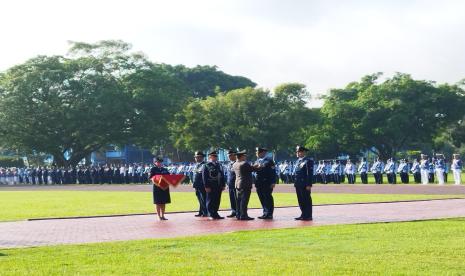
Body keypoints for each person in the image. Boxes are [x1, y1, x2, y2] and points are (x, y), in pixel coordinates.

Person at [202, 151, 226, 220]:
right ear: (209, 157)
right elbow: (204, 177)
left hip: (218, 185)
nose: (215, 157)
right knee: (210, 200)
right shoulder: (206, 165)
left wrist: (223, 184)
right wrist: (206, 186)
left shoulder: (219, 165)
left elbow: (222, 175)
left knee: (217, 200)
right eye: (213, 156)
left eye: (216, 156)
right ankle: (210, 214)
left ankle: (215, 213)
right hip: (211, 186)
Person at [253, 147, 276, 220]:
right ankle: (265, 212)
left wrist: (273, 182)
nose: (256, 153)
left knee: (267, 198)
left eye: (258, 152)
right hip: (259, 183)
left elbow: (273, 172)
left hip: (267, 183)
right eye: (256, 152)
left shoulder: (269, 161)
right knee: (262, 198)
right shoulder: (257, 161)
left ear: (263, 153)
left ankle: (269, 213)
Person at [292, 146, 314, 221]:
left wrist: (309, 184)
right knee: (300, 200)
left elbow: (309, 174)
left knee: (306, 200)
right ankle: (303, 214)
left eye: (299, 152)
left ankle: (308, 215)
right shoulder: (298, 161)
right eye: (297, 152)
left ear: (304, 152)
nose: (297, 153)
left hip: (304, 184)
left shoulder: (308, 161)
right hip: (298, 184)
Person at [233, 150, 255, 220]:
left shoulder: (235, 164)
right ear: (242, 156)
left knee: (239, 201)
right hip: (245, 184)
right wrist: (260, 166)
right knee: (244, 201)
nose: (245, 157)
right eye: (244, 156)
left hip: (238, 184)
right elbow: (252, 169)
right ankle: (244, 215)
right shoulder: (244, 163)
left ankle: (238, 214)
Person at [192, 151, 208, 217]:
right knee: (199, 199)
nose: (197, 158)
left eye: (198, 157)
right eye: (196, 157)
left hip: (202, 185)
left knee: (203, 199)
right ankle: (201, 211)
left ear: (202, 158)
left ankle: (205, 212)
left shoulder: (205, 165)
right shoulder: (196, 165)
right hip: (196, 186)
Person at [225, 149, 238, 218]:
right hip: (230, 184)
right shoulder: (229, 164)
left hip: (236, 184)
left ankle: (238, 212)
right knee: (232, 199)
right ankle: (234, 211)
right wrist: (227, 183)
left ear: (234, 155)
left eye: (230, 155)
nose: (229, 157)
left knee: (237, 199)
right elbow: (228, 175)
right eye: (228, 155)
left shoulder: (237, 163)